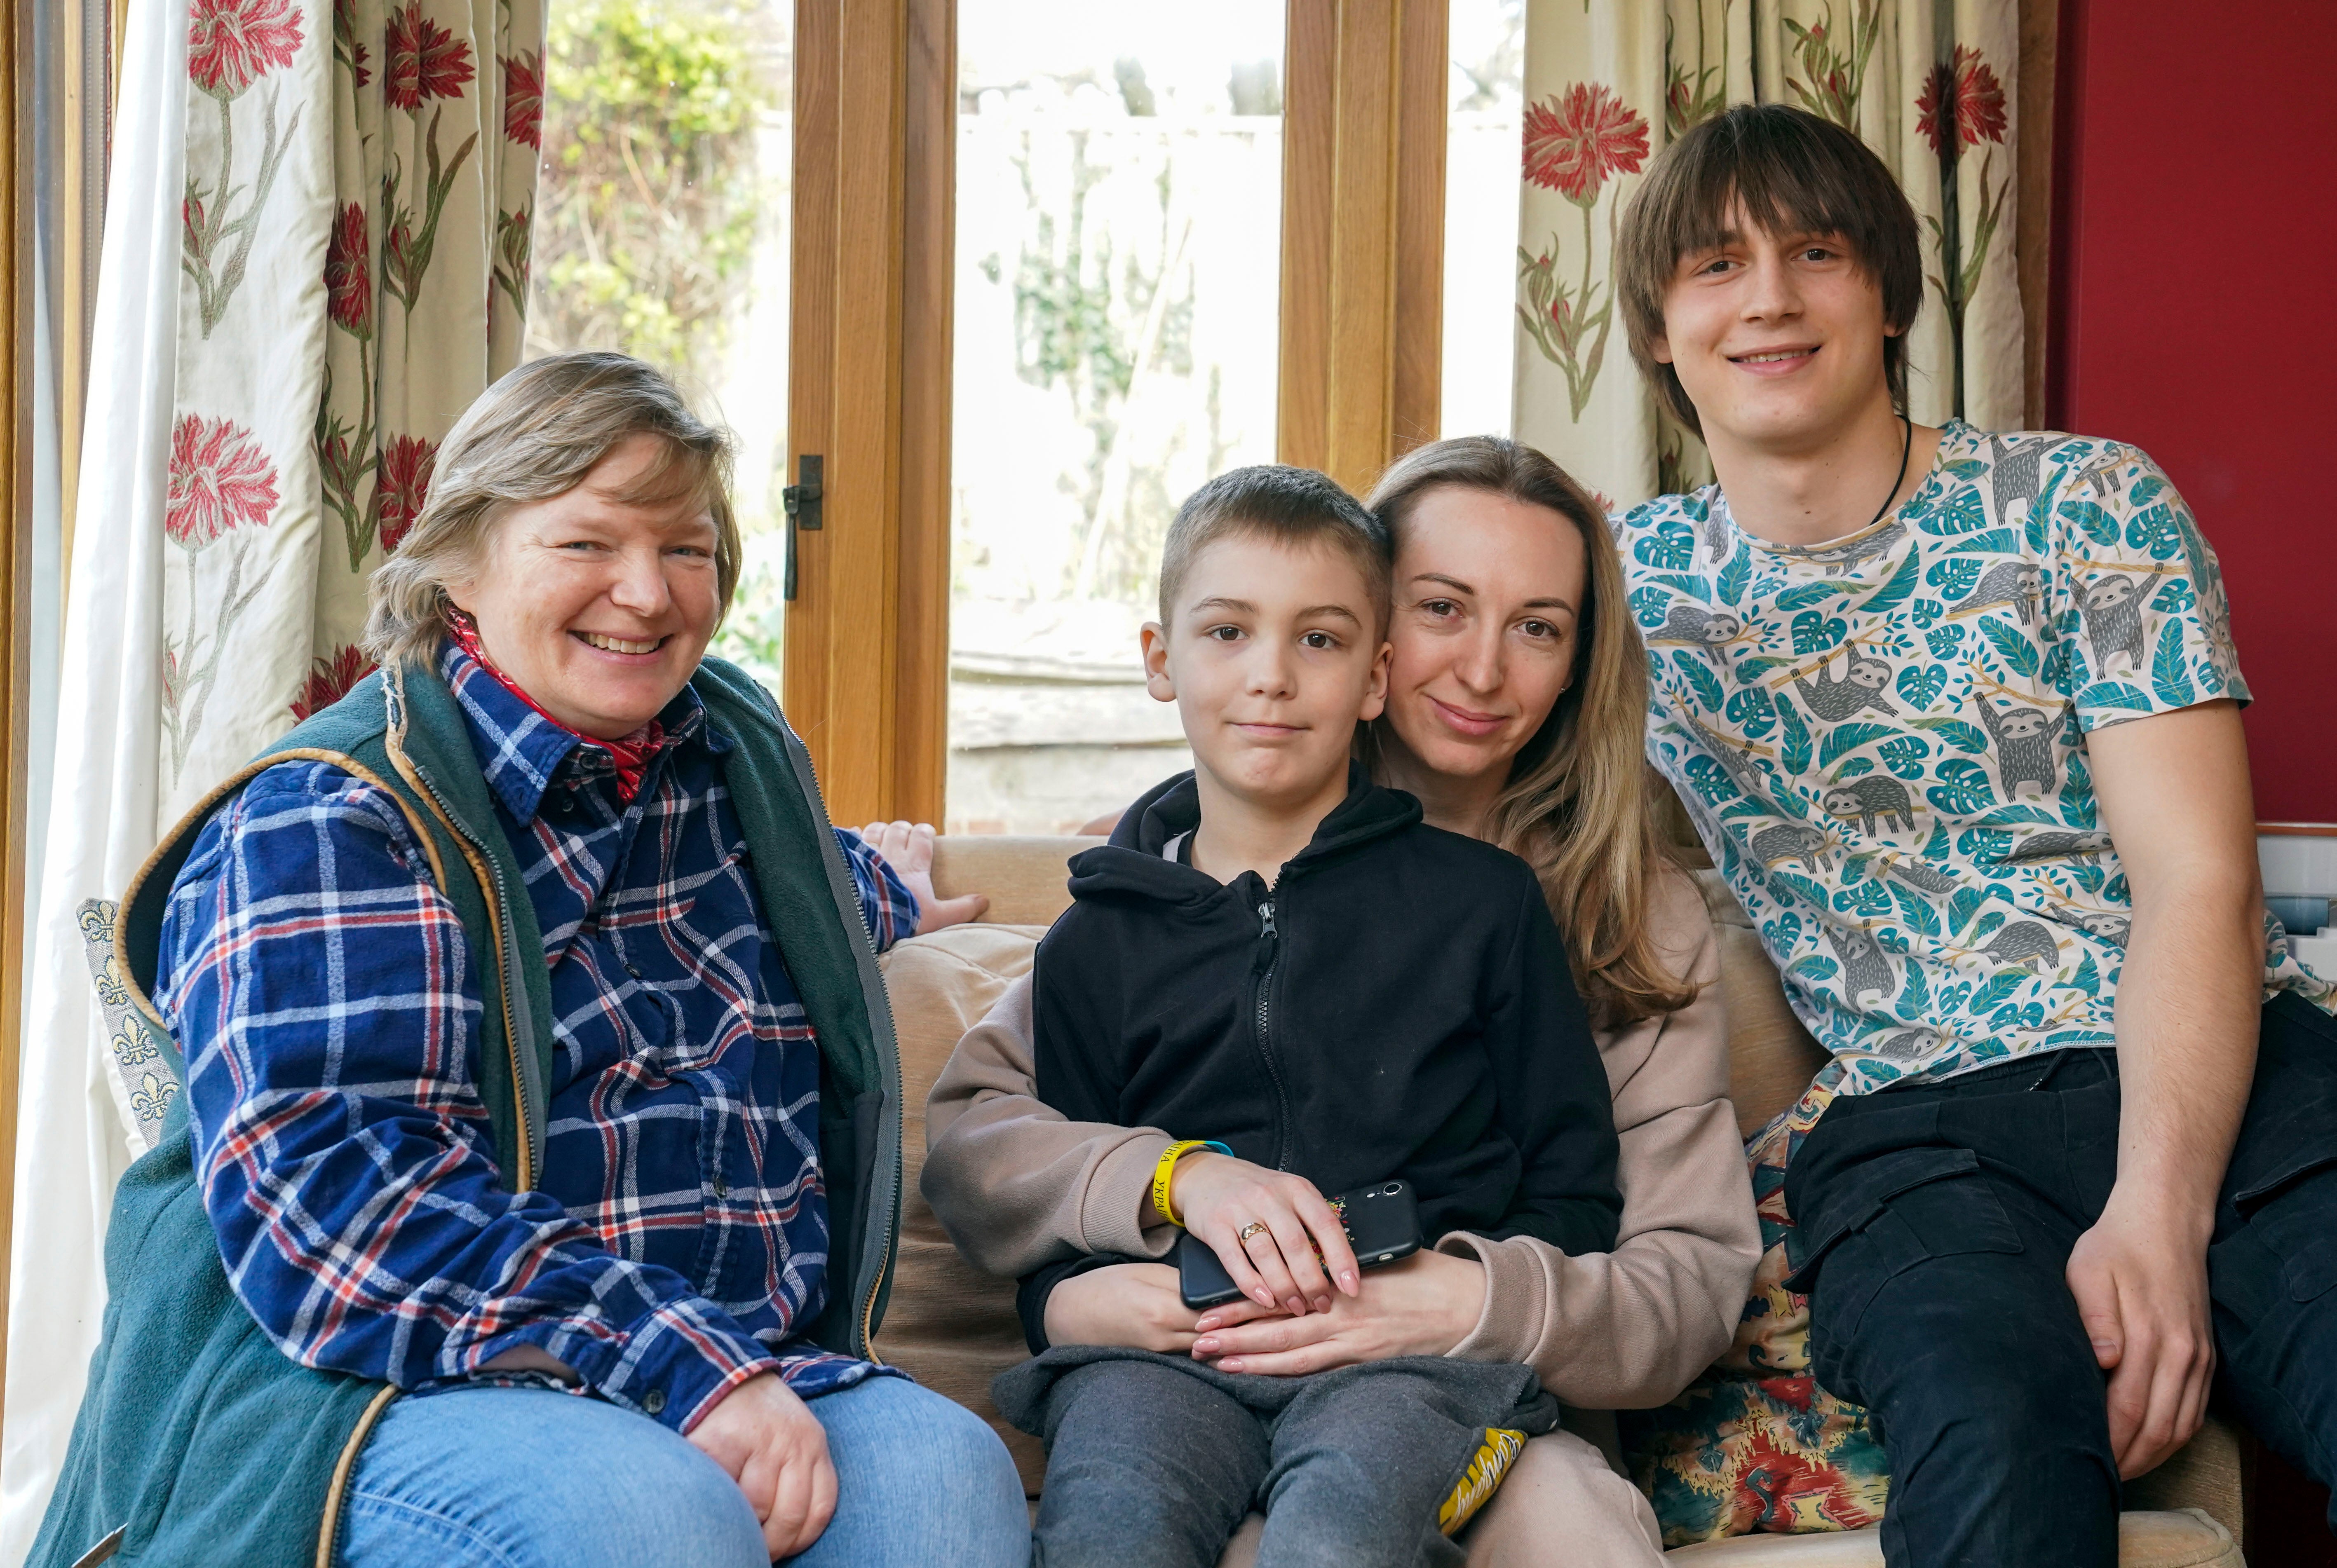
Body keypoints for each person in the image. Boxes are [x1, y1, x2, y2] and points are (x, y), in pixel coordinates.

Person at [31, 352, 1029, 1568]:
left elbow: (806, 901)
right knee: (649, 1517)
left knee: (945, 1481)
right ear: (459, 559)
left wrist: (890, 891)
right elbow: (339, 1206)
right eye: (587, 545)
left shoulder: (726, 759)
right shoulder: (330, 820)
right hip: (370, 1391)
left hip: (719, 1361)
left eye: (690, 550)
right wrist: (679, 1363)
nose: (649, 595)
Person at [1607, 103, 2337, 1565]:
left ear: (1886, 291)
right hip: (1916, 1135)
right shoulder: (1631, 587)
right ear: (1657, 331)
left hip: (2223, 1072)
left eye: (1813, 252)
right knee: (1995, 1459)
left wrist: (2155, 1217)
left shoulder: (2083, 504)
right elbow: (1415, 736)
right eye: (1713, 266)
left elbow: (2201, 883)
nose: (1767, 298)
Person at [926, 439, 1764, 1565]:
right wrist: (1103, 1268)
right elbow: (996, 1130)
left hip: (1456, 1388)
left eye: (1538, 626)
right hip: (1189, 1371)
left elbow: (1681, 1274)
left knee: (1547, 1532)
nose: (1481, 670)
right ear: (1375, 625)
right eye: (1443, 607)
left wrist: (1455, 1302)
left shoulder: (1615, 913)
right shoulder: (1169, 888)